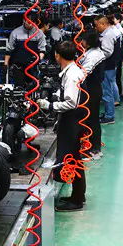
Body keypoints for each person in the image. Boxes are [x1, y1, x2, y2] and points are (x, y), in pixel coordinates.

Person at [38, 41, 88, 212]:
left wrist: (50, 105)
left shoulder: (72, 75)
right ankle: (78, 195)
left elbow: (71, 103)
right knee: (74, 158)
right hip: (73, 119)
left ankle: (77, 200)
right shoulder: (71, 71)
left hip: (72, 120)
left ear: (58, 56)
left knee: (71, 158)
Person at [77, 30, 105, 159]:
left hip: (92, 91)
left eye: (83, 40)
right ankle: (92, 146)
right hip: (93, 89)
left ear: (88, 42)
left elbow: (84, 73)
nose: (81, 42)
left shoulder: (93, 55)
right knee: (91, 119)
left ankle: (95, 149)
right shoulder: (93, 52)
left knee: (92, 119)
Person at [4, 18, 47, 89]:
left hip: (33, 67)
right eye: (29, 22)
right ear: (24, 20)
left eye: (33, 22)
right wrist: (5, 64)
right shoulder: (15, 33)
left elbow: (42, 50)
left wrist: (38, 59)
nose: (31, 24)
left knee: (33, 88)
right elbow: (9, 49)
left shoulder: (39, 33)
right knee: (19, 88)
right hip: (18, 66)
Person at [94, 14, 121, 125]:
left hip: (107, 66)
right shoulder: (108, 32)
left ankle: (109, 116)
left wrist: (95, 56)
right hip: (109, 65)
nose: (96, 28)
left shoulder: (108, 35)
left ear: (103, 24)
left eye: (97, 25)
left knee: (106, 91)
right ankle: (108, 113)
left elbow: (107, 52)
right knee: (107, 90)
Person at [110, 13, 123, 104]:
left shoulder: (117, 30)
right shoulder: (118, 29)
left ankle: (117, 96)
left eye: (114, 19)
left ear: (118, 20)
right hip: (118, 56)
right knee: (116, 77)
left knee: (115, 77)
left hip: (117, 56)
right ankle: (119, 94)